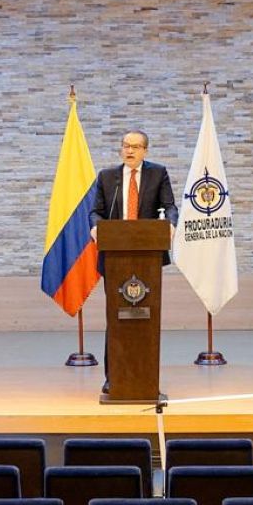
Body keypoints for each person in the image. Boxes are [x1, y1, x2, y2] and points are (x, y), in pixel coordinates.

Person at [90, 130, 179, 394]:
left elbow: (170, 206)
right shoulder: (108, 177)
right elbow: (96, 211)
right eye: (126, 146)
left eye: (136, 146)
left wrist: (170, 226)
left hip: (147, 257)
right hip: (114, 257)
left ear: (145, 151)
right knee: (115, 316)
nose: (130, 151)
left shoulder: (157, 173)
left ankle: (147, 377)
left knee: (145, 316)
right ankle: (113, 377)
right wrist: (97, 229)